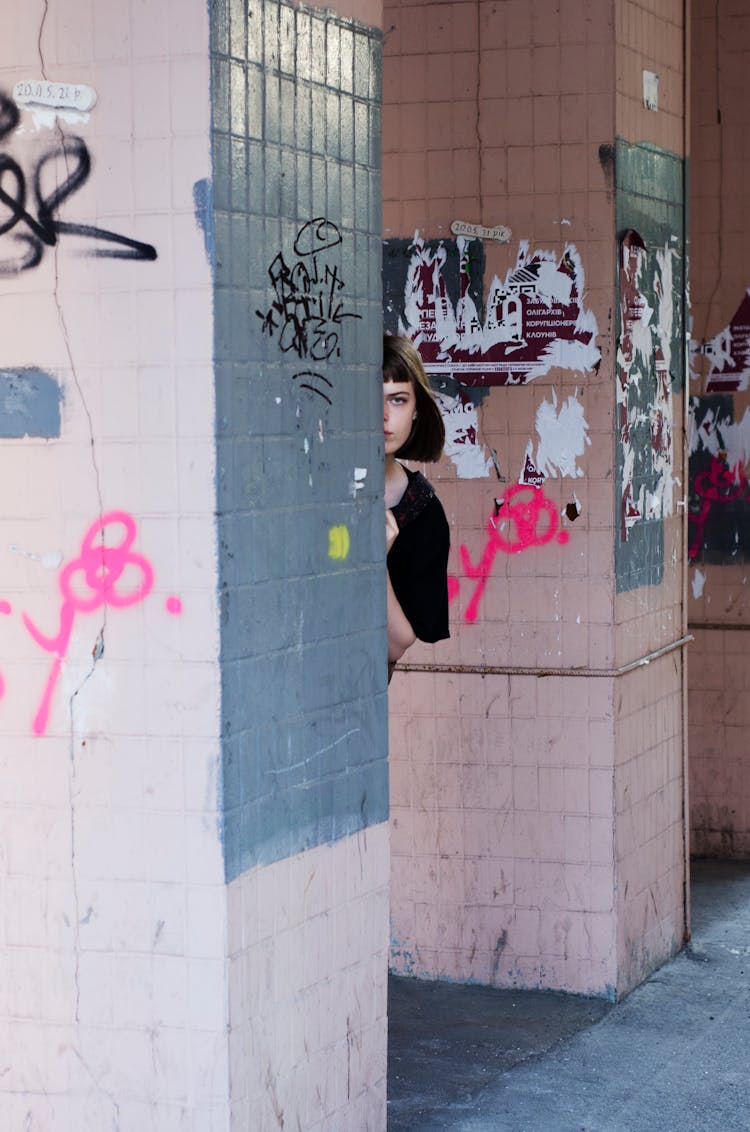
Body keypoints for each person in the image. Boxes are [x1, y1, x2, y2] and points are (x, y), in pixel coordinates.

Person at [383, 334, 450, 681]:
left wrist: (374, 563)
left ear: (415, 411)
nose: (381, 415)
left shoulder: (422, 512)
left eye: (397, 400)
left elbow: (396, 645)